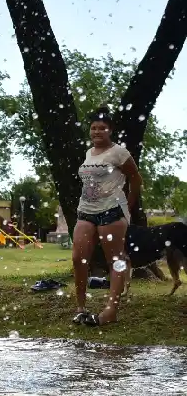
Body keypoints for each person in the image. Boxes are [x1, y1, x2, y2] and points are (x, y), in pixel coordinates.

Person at [72, 106, 143, 327]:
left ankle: (111, 309)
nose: (97, 132)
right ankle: (81, 308)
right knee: (78, 258)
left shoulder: (119, 153)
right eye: (93, 128)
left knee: (116, 260)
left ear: (110, 131)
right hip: (86, 211)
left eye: (102, 128)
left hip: (111, 211)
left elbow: (136, 180)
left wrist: (128, 207)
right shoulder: (88, 153)